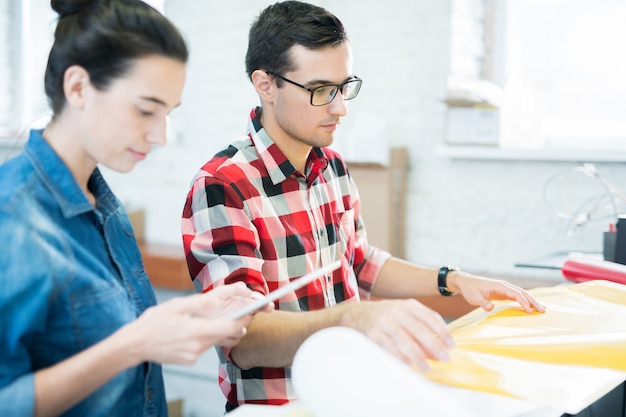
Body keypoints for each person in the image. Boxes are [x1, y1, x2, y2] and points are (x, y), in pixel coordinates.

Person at [181, 0, 546, 411]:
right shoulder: (222, 185)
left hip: (351, 395)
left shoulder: (332, 167)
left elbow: (357, 262)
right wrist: (349, 319)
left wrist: (454, 280)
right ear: (266, 84)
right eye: (321, 91)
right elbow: (241, 339)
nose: (340, 108)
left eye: (344, 87)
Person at [0, 1, 272, 416]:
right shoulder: (13, 218)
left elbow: (103, 330)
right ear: (77, 88)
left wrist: (195, 313)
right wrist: (135, 345)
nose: (161, 134)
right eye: (146, 110)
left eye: (167, 113)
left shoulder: (104, 207)